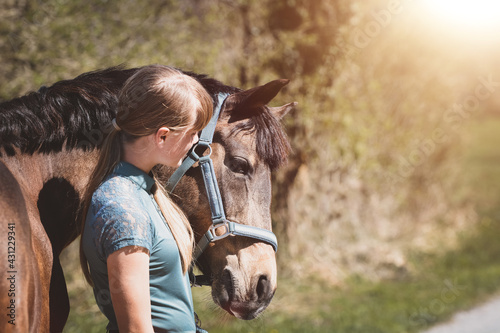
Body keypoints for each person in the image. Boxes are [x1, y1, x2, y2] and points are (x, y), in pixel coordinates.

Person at [79, 64, 213, 333]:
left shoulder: (143, 191)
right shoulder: (121, 206)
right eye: (192, 132)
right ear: (162, 136)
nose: (196, 142)